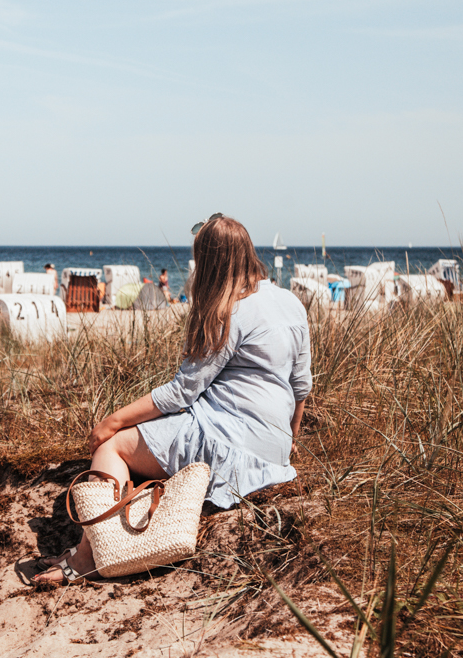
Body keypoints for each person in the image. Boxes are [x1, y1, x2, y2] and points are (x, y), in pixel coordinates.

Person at [33, 215, 311, 584]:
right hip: (275, 453)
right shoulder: (289, 302)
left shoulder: (229, 309)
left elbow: (181, 393)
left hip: (228, 443)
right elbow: (301, 387)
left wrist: (113, 421)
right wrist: (287, 443)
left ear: (208, 263)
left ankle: (85, 560)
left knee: (113, 448)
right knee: (144, 440)